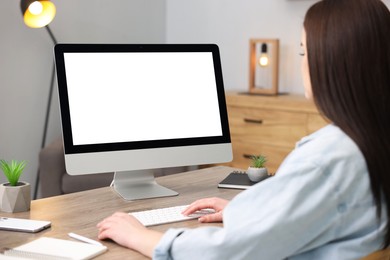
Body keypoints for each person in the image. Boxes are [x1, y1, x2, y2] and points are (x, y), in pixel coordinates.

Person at [97, 0, 390, 258]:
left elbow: (226, 253)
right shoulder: (372, 141)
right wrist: (246, 210)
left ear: (330, 61)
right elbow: (307, 212)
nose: (303, 64)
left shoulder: (325, 160)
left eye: (303, 52)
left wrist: (141, 236)